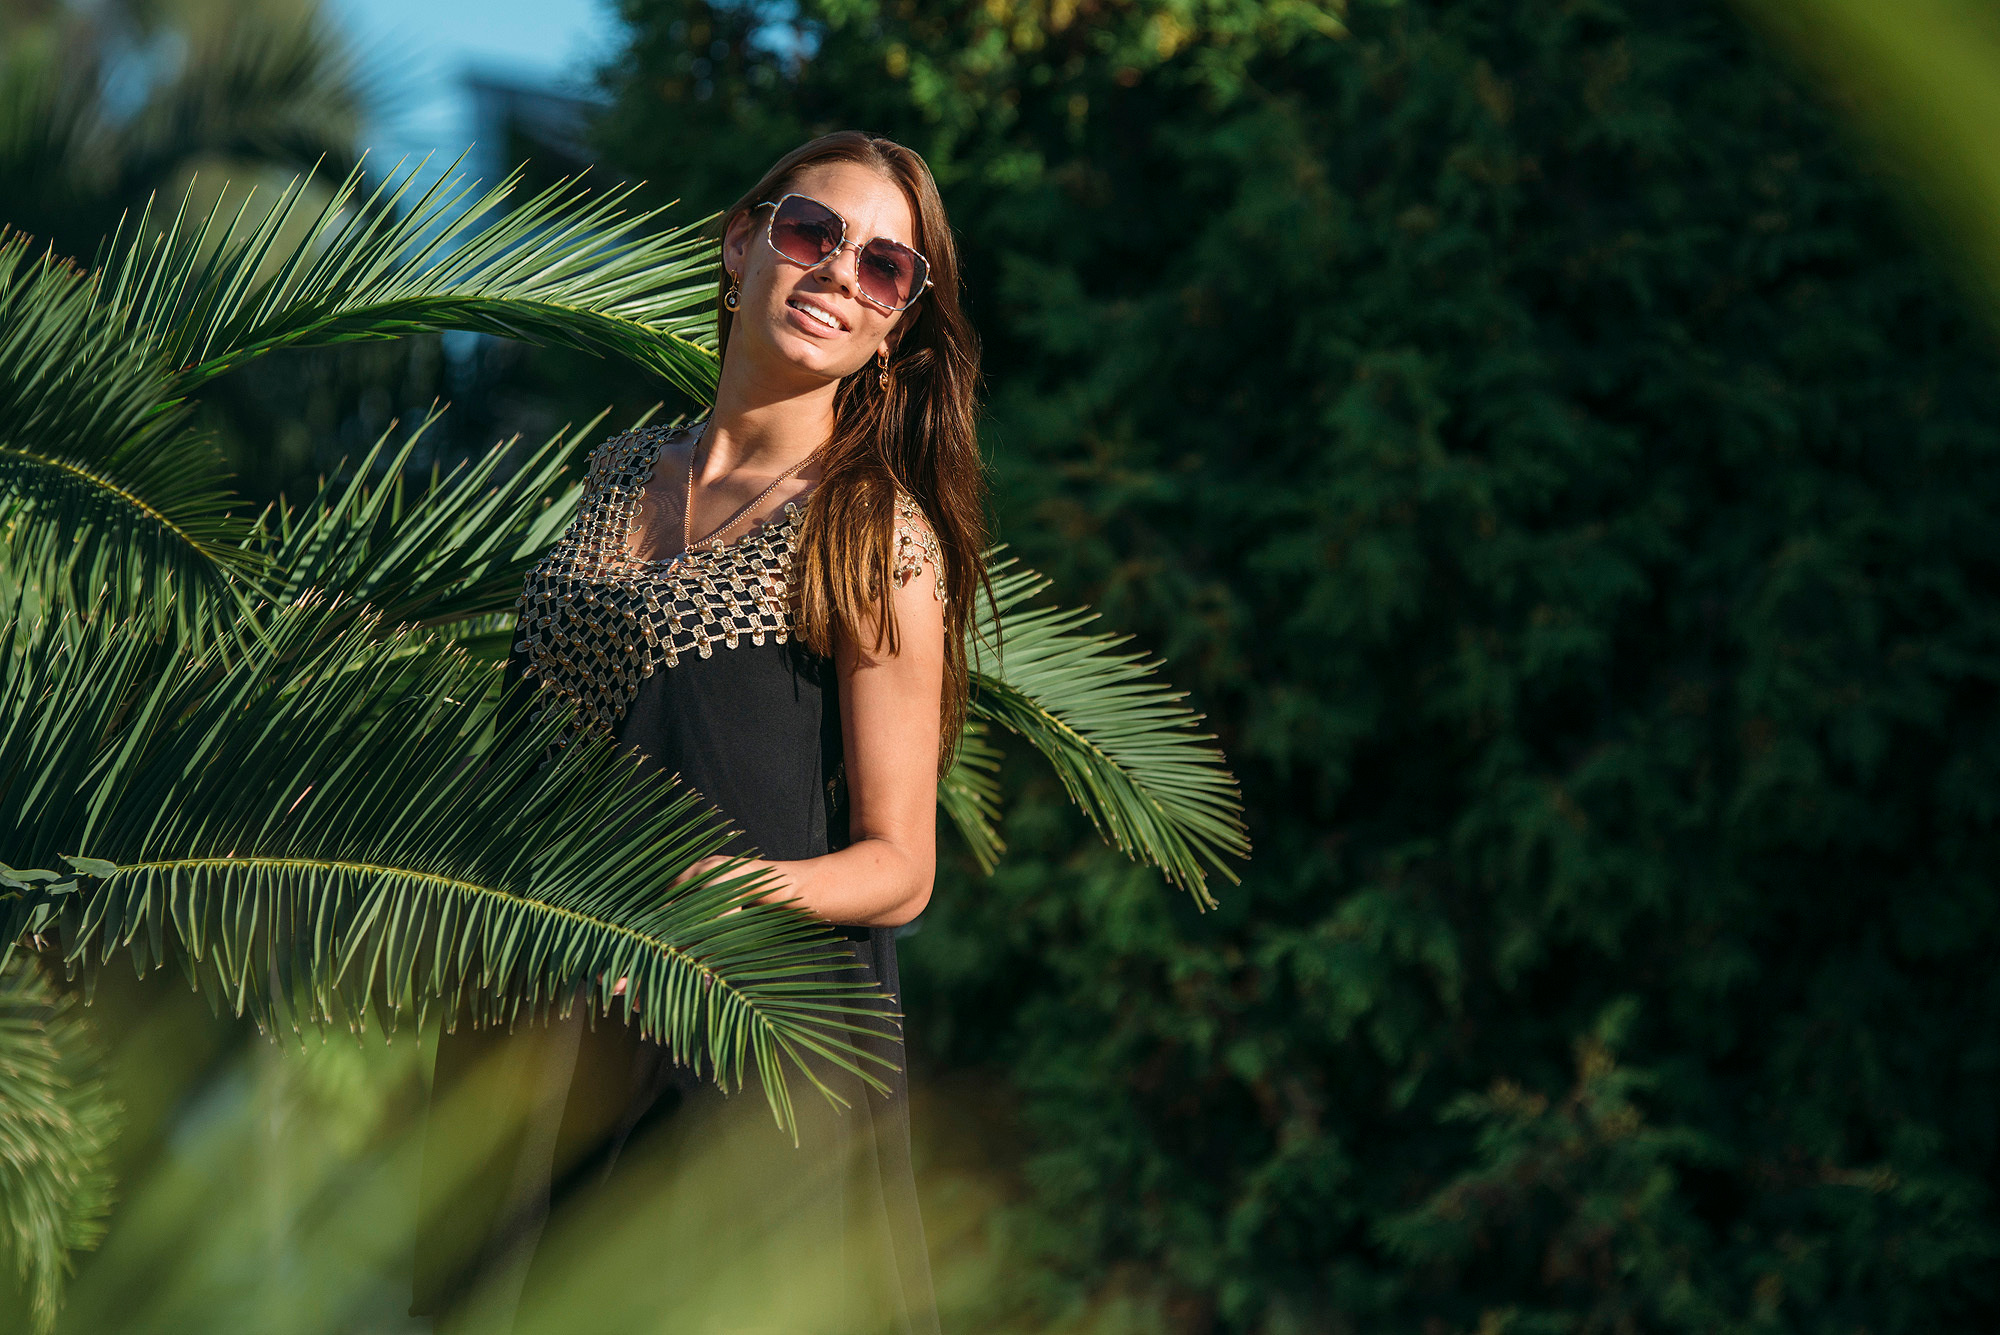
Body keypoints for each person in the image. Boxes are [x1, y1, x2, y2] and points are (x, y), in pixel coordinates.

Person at [410, 130, 985, 1335]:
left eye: (883, 268)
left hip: (736, 1039)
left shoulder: (875, 537)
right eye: (812, 233)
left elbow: (902, 866)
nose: (837, 274)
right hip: (551, 1013)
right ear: (741, 242)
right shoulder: (618, 474)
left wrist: (719, 899)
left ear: (897, 325)